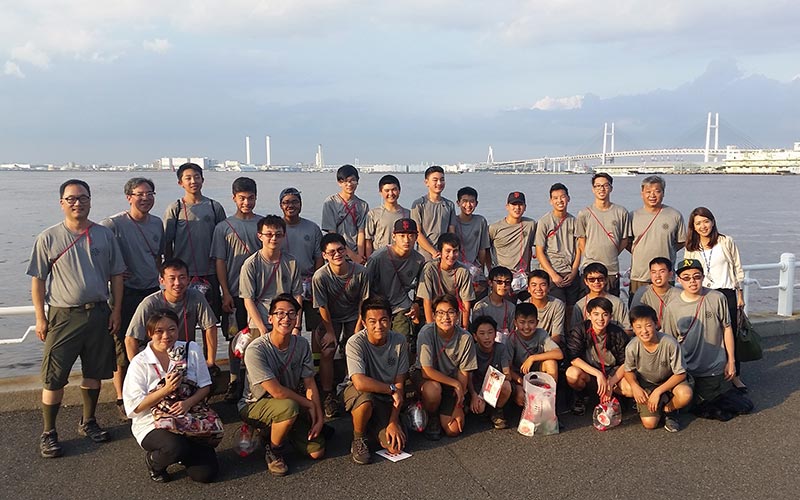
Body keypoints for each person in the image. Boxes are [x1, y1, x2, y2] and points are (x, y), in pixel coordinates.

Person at [28, 179, 125, 458]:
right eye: (71, 199)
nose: (77, 203)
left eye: (82, 198)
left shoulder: (104, 235)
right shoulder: (48, 238)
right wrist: (40, 317)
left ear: (90, 201)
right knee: (54, 377)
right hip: (63, 315)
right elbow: (38, 281)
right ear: (62, 203)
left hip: (98, 313)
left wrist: (116, 310)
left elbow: (117, 275)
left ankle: (89, 420)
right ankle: (49, 431)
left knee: (94, 373)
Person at [123, 309, 218, 483]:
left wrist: (188, 403)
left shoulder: (191, 349)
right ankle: (155, 462)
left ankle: (183, 453)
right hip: (152, 421)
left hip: (188, 415)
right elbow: (134, 407)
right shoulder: (140, 362)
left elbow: (205, 386)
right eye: (159, 331)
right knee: (174, 446)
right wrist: (165, 390)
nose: (166, 336)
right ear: (150, 333)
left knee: (205, 474)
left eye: (172, 329)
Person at [239, 294, 325, 476]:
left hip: (288, 402)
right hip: (255, 403)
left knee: (317, 451)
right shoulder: (256, 349)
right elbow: (276, 391)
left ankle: (281, 430)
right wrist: (308, 404)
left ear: (296, 319)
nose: (286, 318)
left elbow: (310, 382)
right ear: (270, 318)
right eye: (280, 313)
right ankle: (274, 450)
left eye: (291, 314)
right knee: (289, 406)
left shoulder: (301, 344)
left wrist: (318, 415)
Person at [101, 177, 164, 417]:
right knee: (122, 343)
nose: (145, 198)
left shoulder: (157, 224)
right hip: (125, 293)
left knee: (152, 341)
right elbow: (92, 242)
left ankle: (150, 390)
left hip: (151, 291)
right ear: (129, 197)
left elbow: (158, 257)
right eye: (139, 194)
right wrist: (111, 270)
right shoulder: (113, 224)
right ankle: (121, 396)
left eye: (150, 193)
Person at [684, 207, 747, 392]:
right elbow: (688, 275)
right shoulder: (691, 248)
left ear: (712, 221)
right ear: (693, 227)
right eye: (698, 223)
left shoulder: (725, 241)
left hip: (726, 293)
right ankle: (709, 374)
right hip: (703, 294)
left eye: (706, 221)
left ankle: (735, 375)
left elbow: (737, 267)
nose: (703, 226)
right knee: (708, 336)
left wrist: (740, 294)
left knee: (730, 334)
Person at [211, 177, 262, 403]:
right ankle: (234, 379)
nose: (247, 202)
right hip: (234, 291)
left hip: (259, 294)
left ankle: (257, 377)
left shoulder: (263, 225)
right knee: (234, 337)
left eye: (250, 198)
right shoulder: (223, 227)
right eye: (242, 198)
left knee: (257, 336)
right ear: (234, 198)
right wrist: (225, 292)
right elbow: (220, 261)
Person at [661, 259, 737, 411]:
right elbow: (669, 341)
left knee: (714, 405)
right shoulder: (672, 307)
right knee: (687, 401)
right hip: (686, 367)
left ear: (703, 277)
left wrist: (731, 361)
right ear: (678, 280)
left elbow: (727, 329)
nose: (692, 281)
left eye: (696, 276)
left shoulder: (717, 298)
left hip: (714, 366)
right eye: (686, 277)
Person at [344, 296, 409, 464]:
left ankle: (376, 425)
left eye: (383, 320)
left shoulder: (400, 341)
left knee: (396, 446)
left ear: (391, 320)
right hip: (361, 392)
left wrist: (393, 421)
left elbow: (400, 383)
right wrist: (391, 389)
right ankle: (358, 438)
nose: (378, 326)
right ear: (364, 322)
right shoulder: (355, 343)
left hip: (388, 396)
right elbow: (359, 382)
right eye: (372, 321)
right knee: (365, 400)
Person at [312, 233, 370, 417]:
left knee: (355, 348)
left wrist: (359, 325)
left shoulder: (361, 272)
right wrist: (330, 331)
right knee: (328, 349)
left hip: (354, 314)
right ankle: (328, 393)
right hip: (331, 317)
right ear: (324, 255)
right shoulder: (320, 277)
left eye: (340, 250)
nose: (337, 254)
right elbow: (322, 306)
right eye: (331, 252)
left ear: (345, 250)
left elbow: (364, 301)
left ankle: (350, 386)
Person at [125, 259, 219, 370]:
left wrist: (210, 361)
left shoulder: (196, 297)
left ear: (189, 280)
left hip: (184, 355)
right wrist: (137, 368)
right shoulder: (150, 303)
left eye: (182, 277)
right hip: (157, 359)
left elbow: (210, 327)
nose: (177, 283)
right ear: (162, 281)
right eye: (172, 278)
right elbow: (131, 338)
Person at [163, 163, 227, 321]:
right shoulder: (175, 208)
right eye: (188, 178)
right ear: (180, 183)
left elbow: (224, 241)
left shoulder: (214, 207)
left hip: (211, 272)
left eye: (197, 177)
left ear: (203, 180)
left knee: (210, 320)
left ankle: (209, 347)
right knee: (183, 319)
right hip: (184, 275)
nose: (193, 181)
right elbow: (166, 243)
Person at [412, 294, 477, 440]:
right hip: (428, 378)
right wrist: (456, 385)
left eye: (451, 312)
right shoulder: (426, 332)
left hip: (451, 382)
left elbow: (463, 373)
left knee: (453, 430)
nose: (446, 317)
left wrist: (458, 406)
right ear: (434, 316)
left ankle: (451, 406)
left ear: (458, 315)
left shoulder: (465, 338)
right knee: (433, 390)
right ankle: (432, 415)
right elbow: (426, 371)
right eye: (440, 313)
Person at [620, 305, 693, 432]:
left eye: (648, 325)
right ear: (633, 328)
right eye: (638, 327)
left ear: (656, 324)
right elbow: (628, 371)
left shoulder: (669, 343)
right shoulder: (632, 346)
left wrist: (658, 391)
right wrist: (635, 386)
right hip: (646, 383)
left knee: (685, 394)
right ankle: (651, 403)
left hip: (670, 381)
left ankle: (669, 410)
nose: (644, 331)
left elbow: (680, 374)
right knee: (650, 424)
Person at [565, 297, 630, 416]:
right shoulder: (579, 330)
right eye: (596, 314)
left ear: (611, 316)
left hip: (612, 372)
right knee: (572, 373)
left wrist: (611, 382)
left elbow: (626, 362)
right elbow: (574, 358)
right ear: (589, 315)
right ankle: (582, 395)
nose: (600, 319)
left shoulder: (618, 333)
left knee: (629, 388)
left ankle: (616, 396)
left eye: (605, 314)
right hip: (591, 373)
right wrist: (598, 374)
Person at [240, 215, 303, 336]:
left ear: (284, 236)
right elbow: (248, 300)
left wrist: (297, 326)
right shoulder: (250, 264)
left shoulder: (291, 262)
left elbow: (297, 296)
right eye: (269, 234)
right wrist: (262, 329)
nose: (274, 238)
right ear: (260, 236)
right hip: (260, 323)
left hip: (286, 322)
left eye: (278, 235)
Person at [365, 218, 425, 339]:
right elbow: (365, 287)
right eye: (402, 235)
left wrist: (416, 304)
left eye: (411, 236)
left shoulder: (419, 260)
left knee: (402, 340)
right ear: (393, 236)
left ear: (416, 237)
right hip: (378, 304)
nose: (406, 240)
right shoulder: (377, 258)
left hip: (401, 305)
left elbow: (421, 285)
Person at [629, 176, 686, 298]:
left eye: (657, 191)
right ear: (642, 194)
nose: (652, 195)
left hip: (666, 275)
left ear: (663, 193)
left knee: (666, 313)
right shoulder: (632, 216)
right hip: (640, 275)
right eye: (648, 192)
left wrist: (668, 249)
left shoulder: (674, 215)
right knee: (638, 312)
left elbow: (681, 241)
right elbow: (627, 241)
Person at [575, 173, 631, 297]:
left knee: (611, 306)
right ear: (593, 189)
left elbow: (624, 240)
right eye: (598, 186)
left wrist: (612, 253)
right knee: (589, 307)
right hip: (589, 269)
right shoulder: (584, 213)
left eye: (605, 185)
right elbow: (581, 240)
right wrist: (590, 256)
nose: (602, 189)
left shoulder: (621, 212)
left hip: (611, 269)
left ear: (611, 188)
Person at [279, 187, 324, 335]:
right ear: (281, 205)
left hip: (309, 283)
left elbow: (319, 257)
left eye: (294, 202)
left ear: (301, 204)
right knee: (287, 325)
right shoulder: (276, 228)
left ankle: (315, 358)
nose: (290, 205)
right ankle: (289, 356)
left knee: (317, 326)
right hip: (285, 284)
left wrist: (315, 282)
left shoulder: (312, 228)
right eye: (286, 202)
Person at [535, 183, 582, 312]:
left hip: (570, 273)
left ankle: (571, 333)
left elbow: (579, 250)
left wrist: (574, 272)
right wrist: (553, 275)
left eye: (562, 197)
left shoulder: (575, 221)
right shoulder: (544, 222)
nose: (559, 200)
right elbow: (539, 252)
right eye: (555, 198)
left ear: (568, 198)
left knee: (573, 309)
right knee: (557, 308)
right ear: (551, 201)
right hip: (552, 273)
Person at [507, 303, 563, 409]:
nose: (527, 327)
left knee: (551, 362)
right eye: (522, 322)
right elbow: (508, 368)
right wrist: (521, 381)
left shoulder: (541, 333)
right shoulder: (512, 339)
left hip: (538, 376)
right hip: (520, 377)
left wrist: (532, 358)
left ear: (537, 322)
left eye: (531, 322)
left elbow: (559, 354)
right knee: (521, 398)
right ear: (515, 322)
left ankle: (550, 403)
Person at [417, 233, 475, 328]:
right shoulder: (429, 269)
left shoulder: (463, 271)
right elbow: (427, 301)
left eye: (455, 251)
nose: (451, 255)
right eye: (448, 251)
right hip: (435, 313)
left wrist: (464, 328)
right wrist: (431, 327)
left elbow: (466, 303)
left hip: (454, 315)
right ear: (440, 252)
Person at [468, 316, 512, 429]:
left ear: (495, 334)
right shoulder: (472, 350)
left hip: (494, 386)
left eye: (490, 332)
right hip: (478, 388)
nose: (487, 337)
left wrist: (497, 378)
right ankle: (484, 410)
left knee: (507, 386)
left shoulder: (501, 348)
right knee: (479, 409)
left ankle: (497, 411)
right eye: (482, 333)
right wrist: (474, 395)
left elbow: (507, 374)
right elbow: (469, 376)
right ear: (475, 336)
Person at [488, 191, 536, 295]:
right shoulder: (495, 228)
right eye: (513, 204)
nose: (517, 208)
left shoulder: (530, 225)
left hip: (523, 279)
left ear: (525, 207)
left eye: (520, 204)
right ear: (507, 206)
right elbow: (486, 249)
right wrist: (490, 271)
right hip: (503, 279)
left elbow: (540, 246)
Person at [321, 164, 368, 264]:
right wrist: (351, 254)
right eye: (345, 181)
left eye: (352, 180)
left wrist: (359, 257)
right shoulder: (331, 202)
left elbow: (361, 232)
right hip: (337, 254)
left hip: (355, 254)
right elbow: (332, 233)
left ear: (357, 181)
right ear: (339, 183)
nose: (349, 184)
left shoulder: (363, 205)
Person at [410, 166, 458, 261]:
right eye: (435, 180)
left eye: (442, 179)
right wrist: (433, 252)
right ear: (426, 182)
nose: (439, 183)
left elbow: (451, 232)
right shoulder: (419, 204)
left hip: (445, 256)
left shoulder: (449, 205)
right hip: (424, 256)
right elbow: (417, 233)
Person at [570, 262, 631, 334]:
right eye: (592, 279)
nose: (596, 282)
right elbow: (574, 331)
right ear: (586, 281)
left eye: (600, 279)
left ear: (606, 280)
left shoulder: (617, 303)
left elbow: (628, 330)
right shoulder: (579, 305)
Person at [454, 186, 491, 297]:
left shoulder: (480, 221)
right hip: (457, 269)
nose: (468, 205)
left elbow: (482, 248)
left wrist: (481, 271)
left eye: (472, 202)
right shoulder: (453, 221)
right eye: (464, 201)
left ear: (476, 203)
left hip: (475, 270)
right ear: (458, 203)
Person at [365, 175, 408, 257]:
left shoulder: (407, 214)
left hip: (401, 258)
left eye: (394, 189)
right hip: (379, 257)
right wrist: (369, 260)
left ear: (399, 190)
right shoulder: (373, 214)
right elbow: (368, 240)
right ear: (381, 192)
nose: (391, 193)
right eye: (387, 190)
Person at [630, 257, 679, 327]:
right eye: (654, 272)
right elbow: (635, 317)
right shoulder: (642, 292)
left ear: (670, 274)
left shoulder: (678, 294)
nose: (657, 276)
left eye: (662, 271)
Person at [523, 270, 567, 345]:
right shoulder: (523, 307)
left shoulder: (557, 305)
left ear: (549, 288)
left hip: (549, 347)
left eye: (543, 285)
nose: (538, 289)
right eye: (534, 285)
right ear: (528, 289)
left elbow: (556, 336)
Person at [472, 266, 516, 338]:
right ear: (490, 283)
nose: (503, 285)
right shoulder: (481, 306)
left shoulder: (511, 307)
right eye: (499, 282)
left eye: (507, 282)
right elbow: (477, 331)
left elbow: (512, 332)